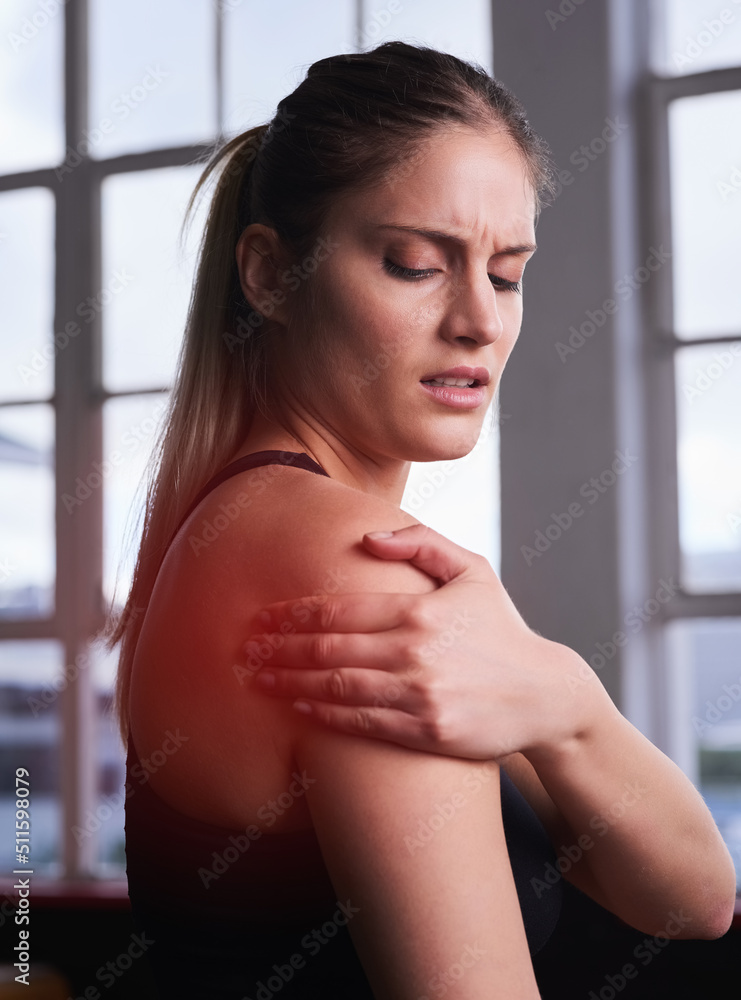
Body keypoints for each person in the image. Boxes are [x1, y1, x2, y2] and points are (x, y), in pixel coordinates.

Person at [104, 40, 736, 999]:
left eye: (509, 274)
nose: (480, 321)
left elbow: (694, 903)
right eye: (413, 264)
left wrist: (564, 695)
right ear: (269, 275)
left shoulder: (265, 528)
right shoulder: (350, 567)